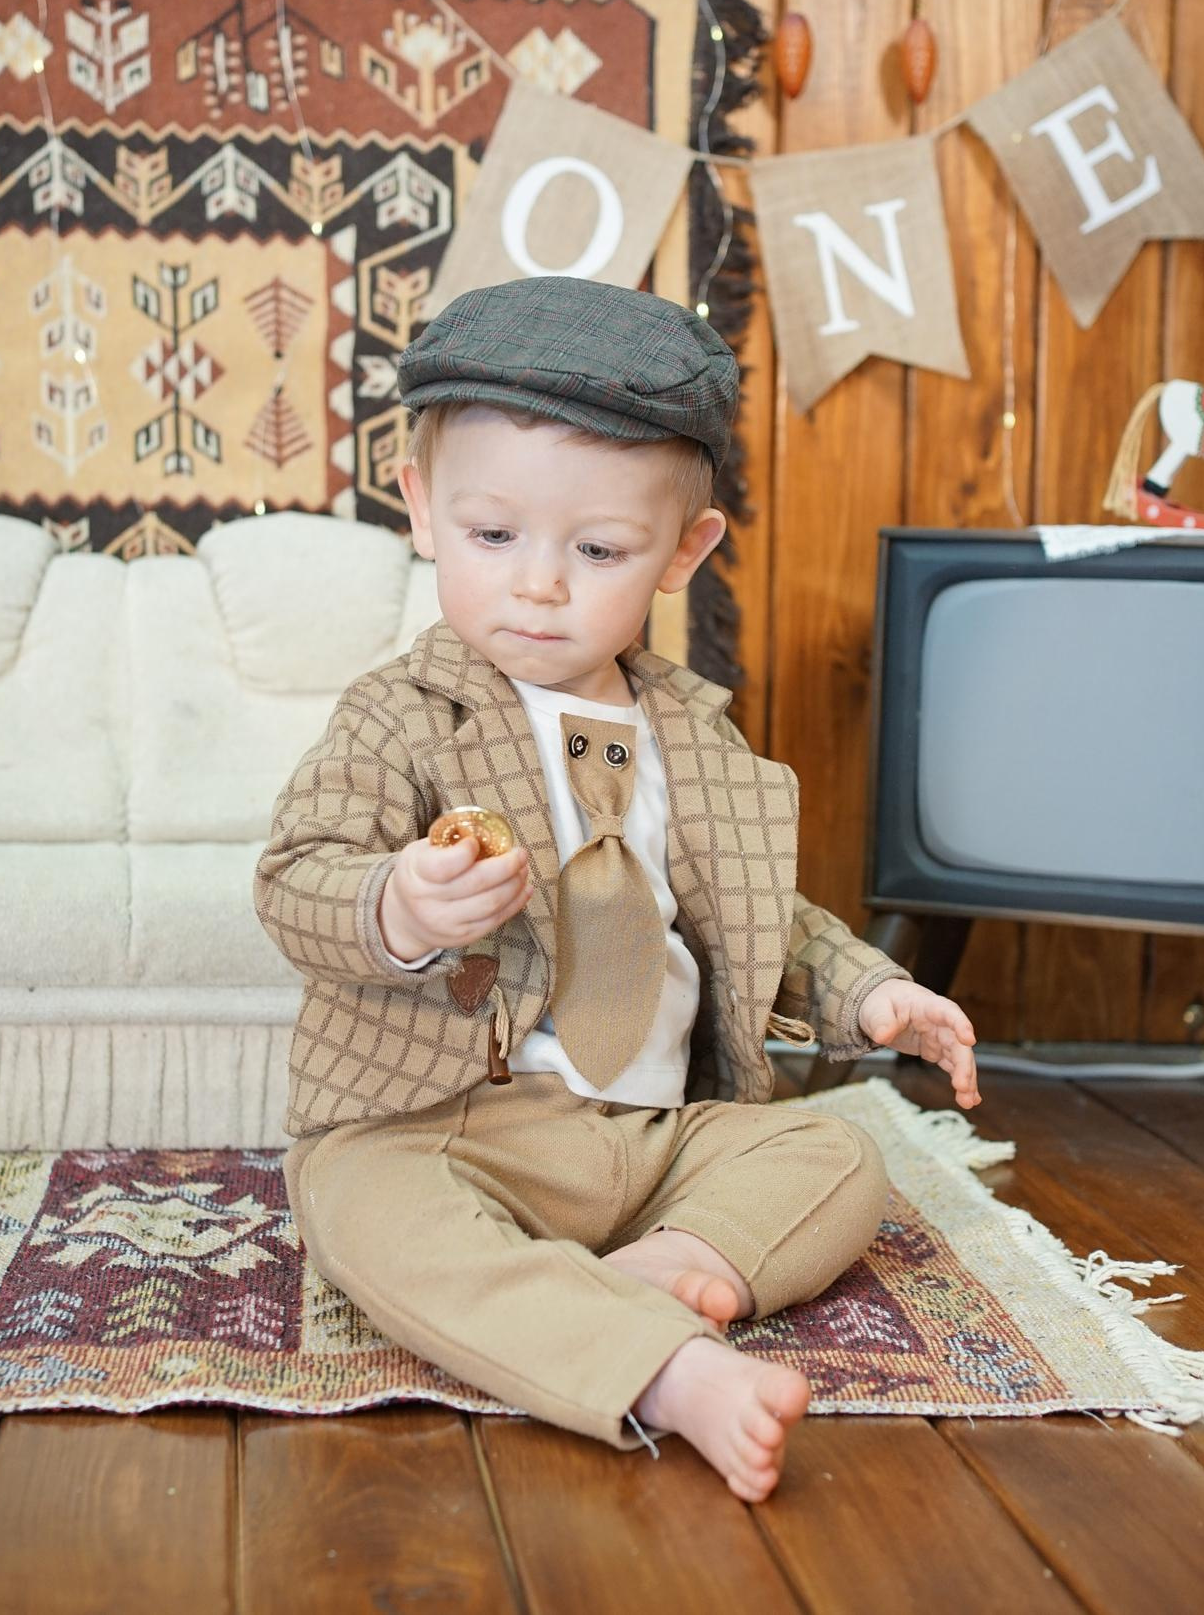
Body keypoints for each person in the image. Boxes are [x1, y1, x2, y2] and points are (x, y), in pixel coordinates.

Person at [255, 275, 978, 1502]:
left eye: (595, 551)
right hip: (450, 1127)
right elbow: (296, 877)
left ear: (682, 552)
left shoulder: (691, 735)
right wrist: (401, 908)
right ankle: (661, 1369)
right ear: (423, 510)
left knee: (839, 1157)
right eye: (494, 538)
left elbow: (760, 916)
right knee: (365, 1214)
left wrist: (872, 993)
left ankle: (671, 1265)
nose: (538, 584)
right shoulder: (402, 717)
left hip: (649, 1142)